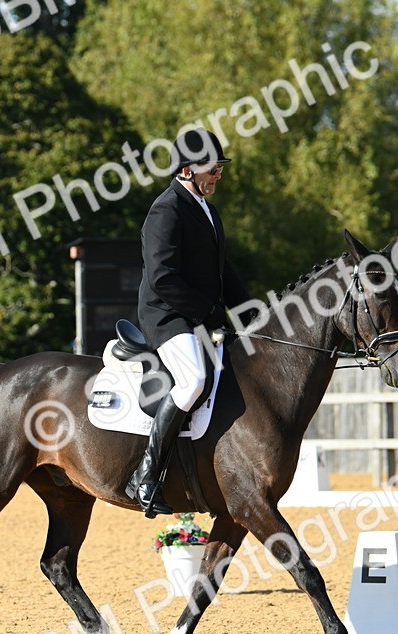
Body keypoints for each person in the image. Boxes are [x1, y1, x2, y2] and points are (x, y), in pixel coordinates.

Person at [125, 128, 252, 517]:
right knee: (193, 378)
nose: (218, 175)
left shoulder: (207, 210)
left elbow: (222, 272)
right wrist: (207, 313)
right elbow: (162, 277)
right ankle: (145, 474)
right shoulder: (166, 210)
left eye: (220, 169)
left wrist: (252, 314)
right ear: (186, 170)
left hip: (195, 315)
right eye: (213, 169)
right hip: (167, 316)